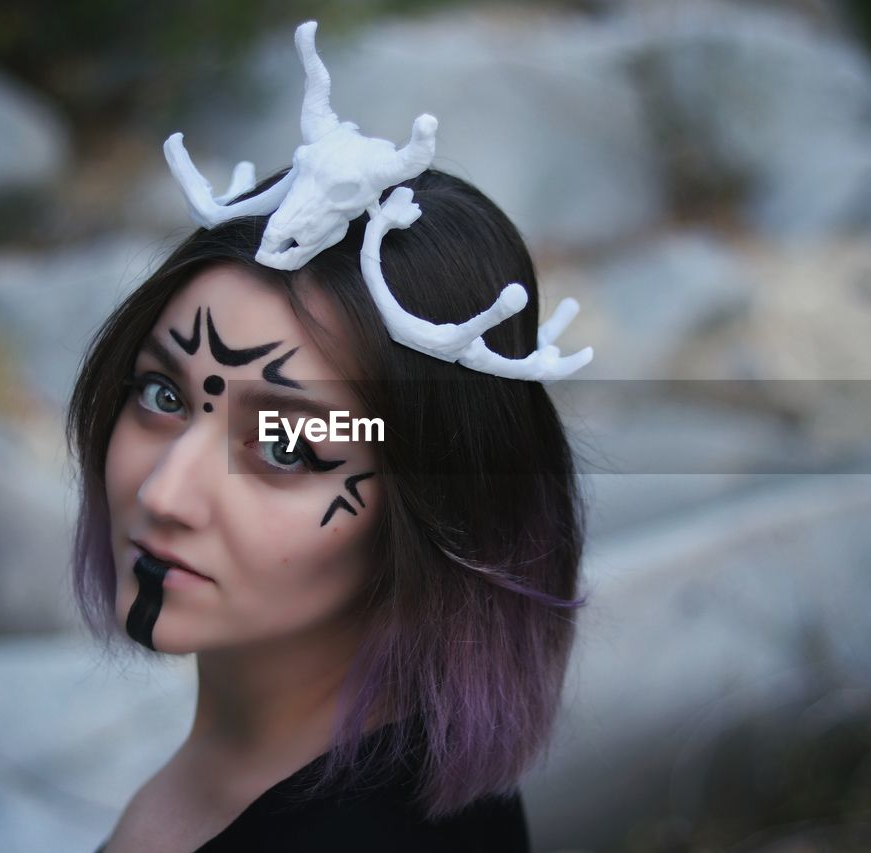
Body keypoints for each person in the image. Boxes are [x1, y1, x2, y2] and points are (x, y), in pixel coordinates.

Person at [68, 21, 591, 852]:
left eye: (284, 447)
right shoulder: (250, 772)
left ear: (439, 505)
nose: (163, 492)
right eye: (162, 392)